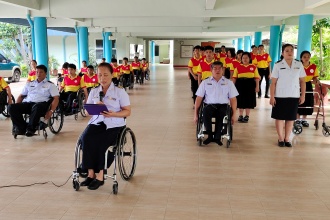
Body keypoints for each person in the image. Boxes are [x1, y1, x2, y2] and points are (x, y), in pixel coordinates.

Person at [80, 62, 131, 190]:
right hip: (97, 122)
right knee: (85, 139)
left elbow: (127, 111)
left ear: (112, 75)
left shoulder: (120, 92)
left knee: (101, 143)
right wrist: (95, 107)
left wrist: (114, 113)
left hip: (114, 124)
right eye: (99, 75)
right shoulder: (94, 91)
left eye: (105, 75)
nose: (102, 78)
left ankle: (101, 176)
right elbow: (87, 112)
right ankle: (90, 173)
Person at [270, 44, 306, 147]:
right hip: (280, 95)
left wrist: (303, 95)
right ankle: (281, 138)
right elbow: (273, 83)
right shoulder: (278, 65)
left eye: (291, 50)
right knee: (279, 117)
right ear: (282, 53)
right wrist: (272, 96)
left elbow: (302, 81)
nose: (290, 52)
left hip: (294, 95)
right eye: (287, 51)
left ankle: (287, 139)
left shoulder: (299, 64)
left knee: (290, 118)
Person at [194, 61, 238, 145]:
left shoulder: (229, 83)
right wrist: (195, 114)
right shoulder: (205, 82)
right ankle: (210, 136)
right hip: (209, 105)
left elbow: (233, 99)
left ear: (223, 70)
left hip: (223, 106)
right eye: (215, 68)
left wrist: (234, 114)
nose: (217, 70)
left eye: (219, 69)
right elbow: (199, 98)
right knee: (205, 112)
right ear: (211, 70)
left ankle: (217, 137)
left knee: (221, 114)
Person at [9, 65, 59, 136]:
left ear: (45, 73)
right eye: (37, 72)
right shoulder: (30, 84)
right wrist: (17, 105)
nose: (38, 74)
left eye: (41, 72)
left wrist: (51, 111)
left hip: (41, 105)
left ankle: (30, 129)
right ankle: (21, 128)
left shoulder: (50, 85)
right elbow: (21, 96)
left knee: (37, 107)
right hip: (28, 104)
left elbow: (56, 98)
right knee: (11, 107)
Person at [232, 52, 260, 123]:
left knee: (249, 101)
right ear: (241, 59)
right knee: (240, 100)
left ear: (249, 58)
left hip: (250, 85)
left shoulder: (253, 67)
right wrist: (232, 87)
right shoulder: (238, 67)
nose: (244, 59)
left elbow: (256, 78)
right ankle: (240, 115)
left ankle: (247, 116)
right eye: (243, 58)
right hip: (240, 85)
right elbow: (234, 78)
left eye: (246, 58)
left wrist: (257, 86)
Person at [296, 51, 320, 127]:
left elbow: (315, 77)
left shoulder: (313, 66)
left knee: (307, 102)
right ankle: (297, 120)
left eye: (308, 57)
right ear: (301, 58)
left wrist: (317, 80)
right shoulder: (298, 66)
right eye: (304, 57)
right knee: (298, 101)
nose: (306, 58)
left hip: (308, 85)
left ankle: (304, 120)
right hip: (298, 84)